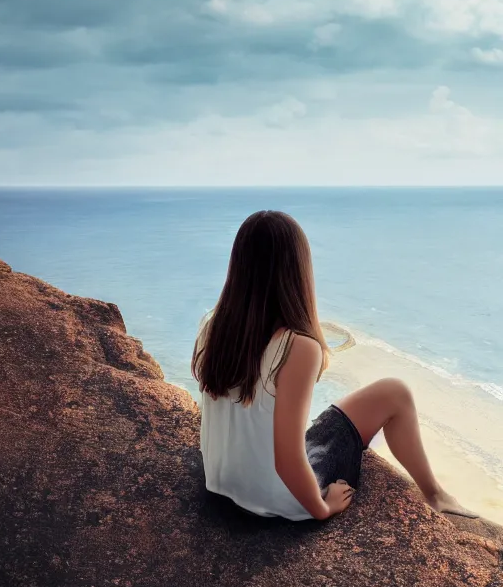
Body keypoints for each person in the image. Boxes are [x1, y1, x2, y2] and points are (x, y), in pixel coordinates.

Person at [191, 210, 477, 521]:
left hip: (221, 484)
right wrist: (322, 507)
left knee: (331, 417)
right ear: (297, 270)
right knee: (396, 393)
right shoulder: (298, 347)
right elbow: (287, 461)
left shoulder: (213, 325)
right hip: (275, 501)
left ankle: (435, 492)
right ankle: (434, 494)